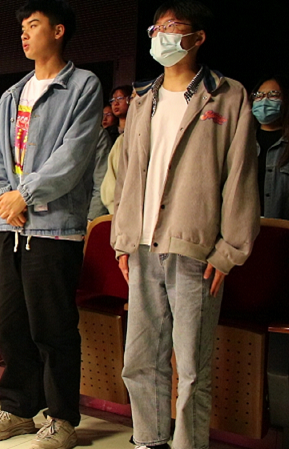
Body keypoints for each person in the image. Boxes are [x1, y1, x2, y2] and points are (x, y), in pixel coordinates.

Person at [112, 2, 260, 449]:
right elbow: (127, 173)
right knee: (139, 360)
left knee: (192, 368)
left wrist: (229, 250)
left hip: (195, 247)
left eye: (172, 26)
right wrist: (122, 239)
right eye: (157, 27)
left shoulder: (227, 95)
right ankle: (149, 440)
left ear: (198, 37)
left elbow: (241, 176)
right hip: (142, 246)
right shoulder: (143, 98)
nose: (162, 35)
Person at [0, 1, 102, 446]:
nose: (25, 34)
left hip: (54, 227)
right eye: (23, 29)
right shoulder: (13, 93)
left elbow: (73, 155)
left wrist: (25, 194)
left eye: (33, 26)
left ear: (59, 30)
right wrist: (3, 198)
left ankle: (62, 418)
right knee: (10, 324)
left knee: (52, 327)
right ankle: (18, 408)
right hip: (10, 226)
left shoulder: (83, 85)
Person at [252, 75, 288, 219]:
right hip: (246, 229)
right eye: (259, 95)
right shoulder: (243, 142)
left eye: (273, 95)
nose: (264, 101)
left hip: (282, 229)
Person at [100, 85, 134, 214]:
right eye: (113, 100)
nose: (116, 103)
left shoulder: (136, 133)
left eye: (120, 98)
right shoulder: (108, 134)